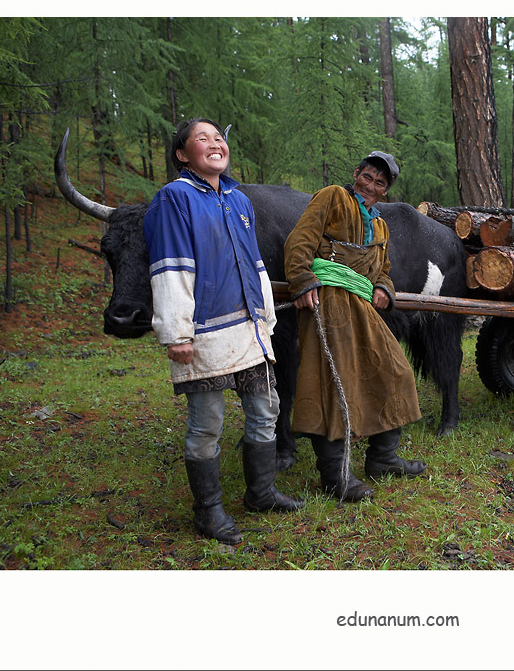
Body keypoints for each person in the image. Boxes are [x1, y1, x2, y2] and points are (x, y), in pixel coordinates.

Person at [143, 117, 303, 545]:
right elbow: (170, 267)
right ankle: (208, 512)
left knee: (266, 409)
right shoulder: (173, 199)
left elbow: (255, 266)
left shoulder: (238, 200)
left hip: (249, 329)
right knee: (207, 423)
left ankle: (261, 492)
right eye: (202, 138)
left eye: (219, 138)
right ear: (182, 155)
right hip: (203, 332)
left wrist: (265, 318)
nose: (215, 143)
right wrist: (176, 332)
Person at [284, 151, 426, 502]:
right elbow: (300, 241)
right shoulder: (332, 196)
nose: (372, 186)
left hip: (362, 305)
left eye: (380, 183)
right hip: (328, 300)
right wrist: (302, 280)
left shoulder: (380, 226)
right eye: (368, 177)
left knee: (395, 371)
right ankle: (335, 476)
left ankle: (383, 458)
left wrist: (383, 288)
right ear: (356, 174)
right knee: (333, 384)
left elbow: (383, 269)